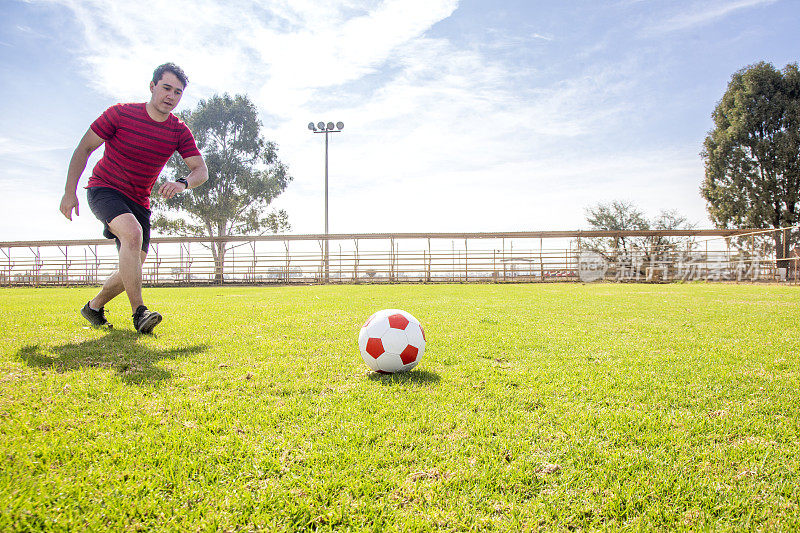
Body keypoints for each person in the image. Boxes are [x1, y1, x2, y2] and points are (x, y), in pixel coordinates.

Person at [59, 63, 208, 333]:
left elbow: (201, 170)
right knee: (132, 233)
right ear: (152, 87)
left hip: (139, 200)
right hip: (105, 188)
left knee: (133, 265)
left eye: (177, 92)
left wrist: (182, 183)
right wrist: (70, 192)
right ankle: (139, 313)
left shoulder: (178, 130)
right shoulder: (120, 114)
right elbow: (85, 148)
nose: (170, 96)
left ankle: (93, 307)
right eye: (166, 88)